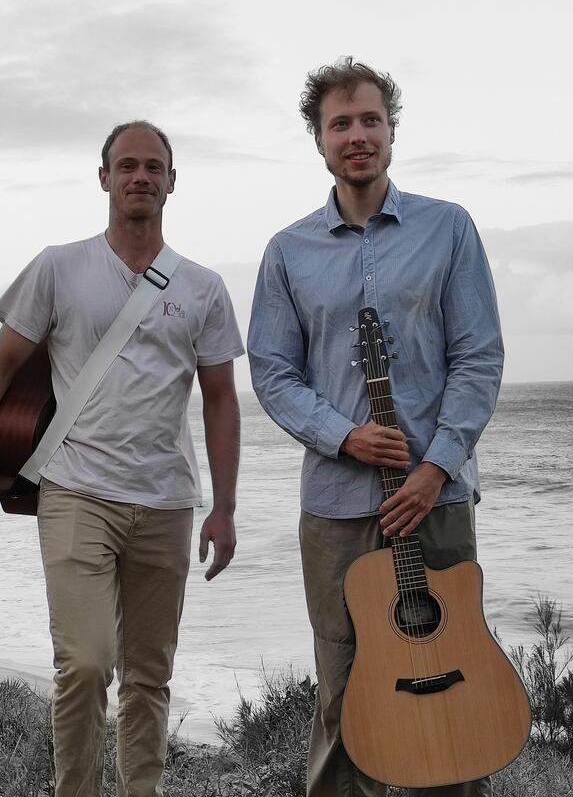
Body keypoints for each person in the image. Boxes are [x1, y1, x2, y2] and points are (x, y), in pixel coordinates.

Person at [248, 57, 503, 797]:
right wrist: (344, 435)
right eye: (341, 124)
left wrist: (436, 467)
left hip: (436, 501)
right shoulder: (287, 252)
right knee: (344, 694)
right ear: (319, 139)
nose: (357, 135)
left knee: (457, 688)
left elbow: (479, 356)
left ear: (391, 130)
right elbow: (272, 371)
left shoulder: (448, 229)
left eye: (370, 120)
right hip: (337, 509)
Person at [0, 121, 244, 797]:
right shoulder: (58, 267)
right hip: (75, 491)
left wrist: (224, 508)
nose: (141, 176)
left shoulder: (204, 287)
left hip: (167, 502)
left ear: (172, 182)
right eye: (127, 165)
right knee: (84, 664)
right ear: (104, 177)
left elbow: (221, 400)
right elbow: (6, 364)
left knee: (149, 675)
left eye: (154, 166)